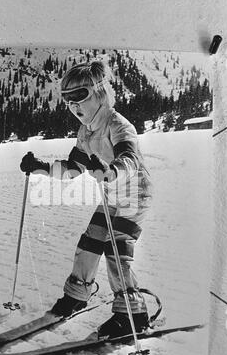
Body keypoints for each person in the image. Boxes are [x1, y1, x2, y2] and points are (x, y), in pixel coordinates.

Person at [20, 60, 153, 338]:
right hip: (112, 196)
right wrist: (40, 167)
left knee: (117, 250)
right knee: (90, 242)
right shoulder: (86, 132)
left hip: (134, 194)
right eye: (67, 99)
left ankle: (133, 314)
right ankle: (77, 295)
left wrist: (110, 170)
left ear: (100, 92)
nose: (73, 105)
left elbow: (129, 159)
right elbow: (72, 169)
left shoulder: (118, 125)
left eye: (79, 96)